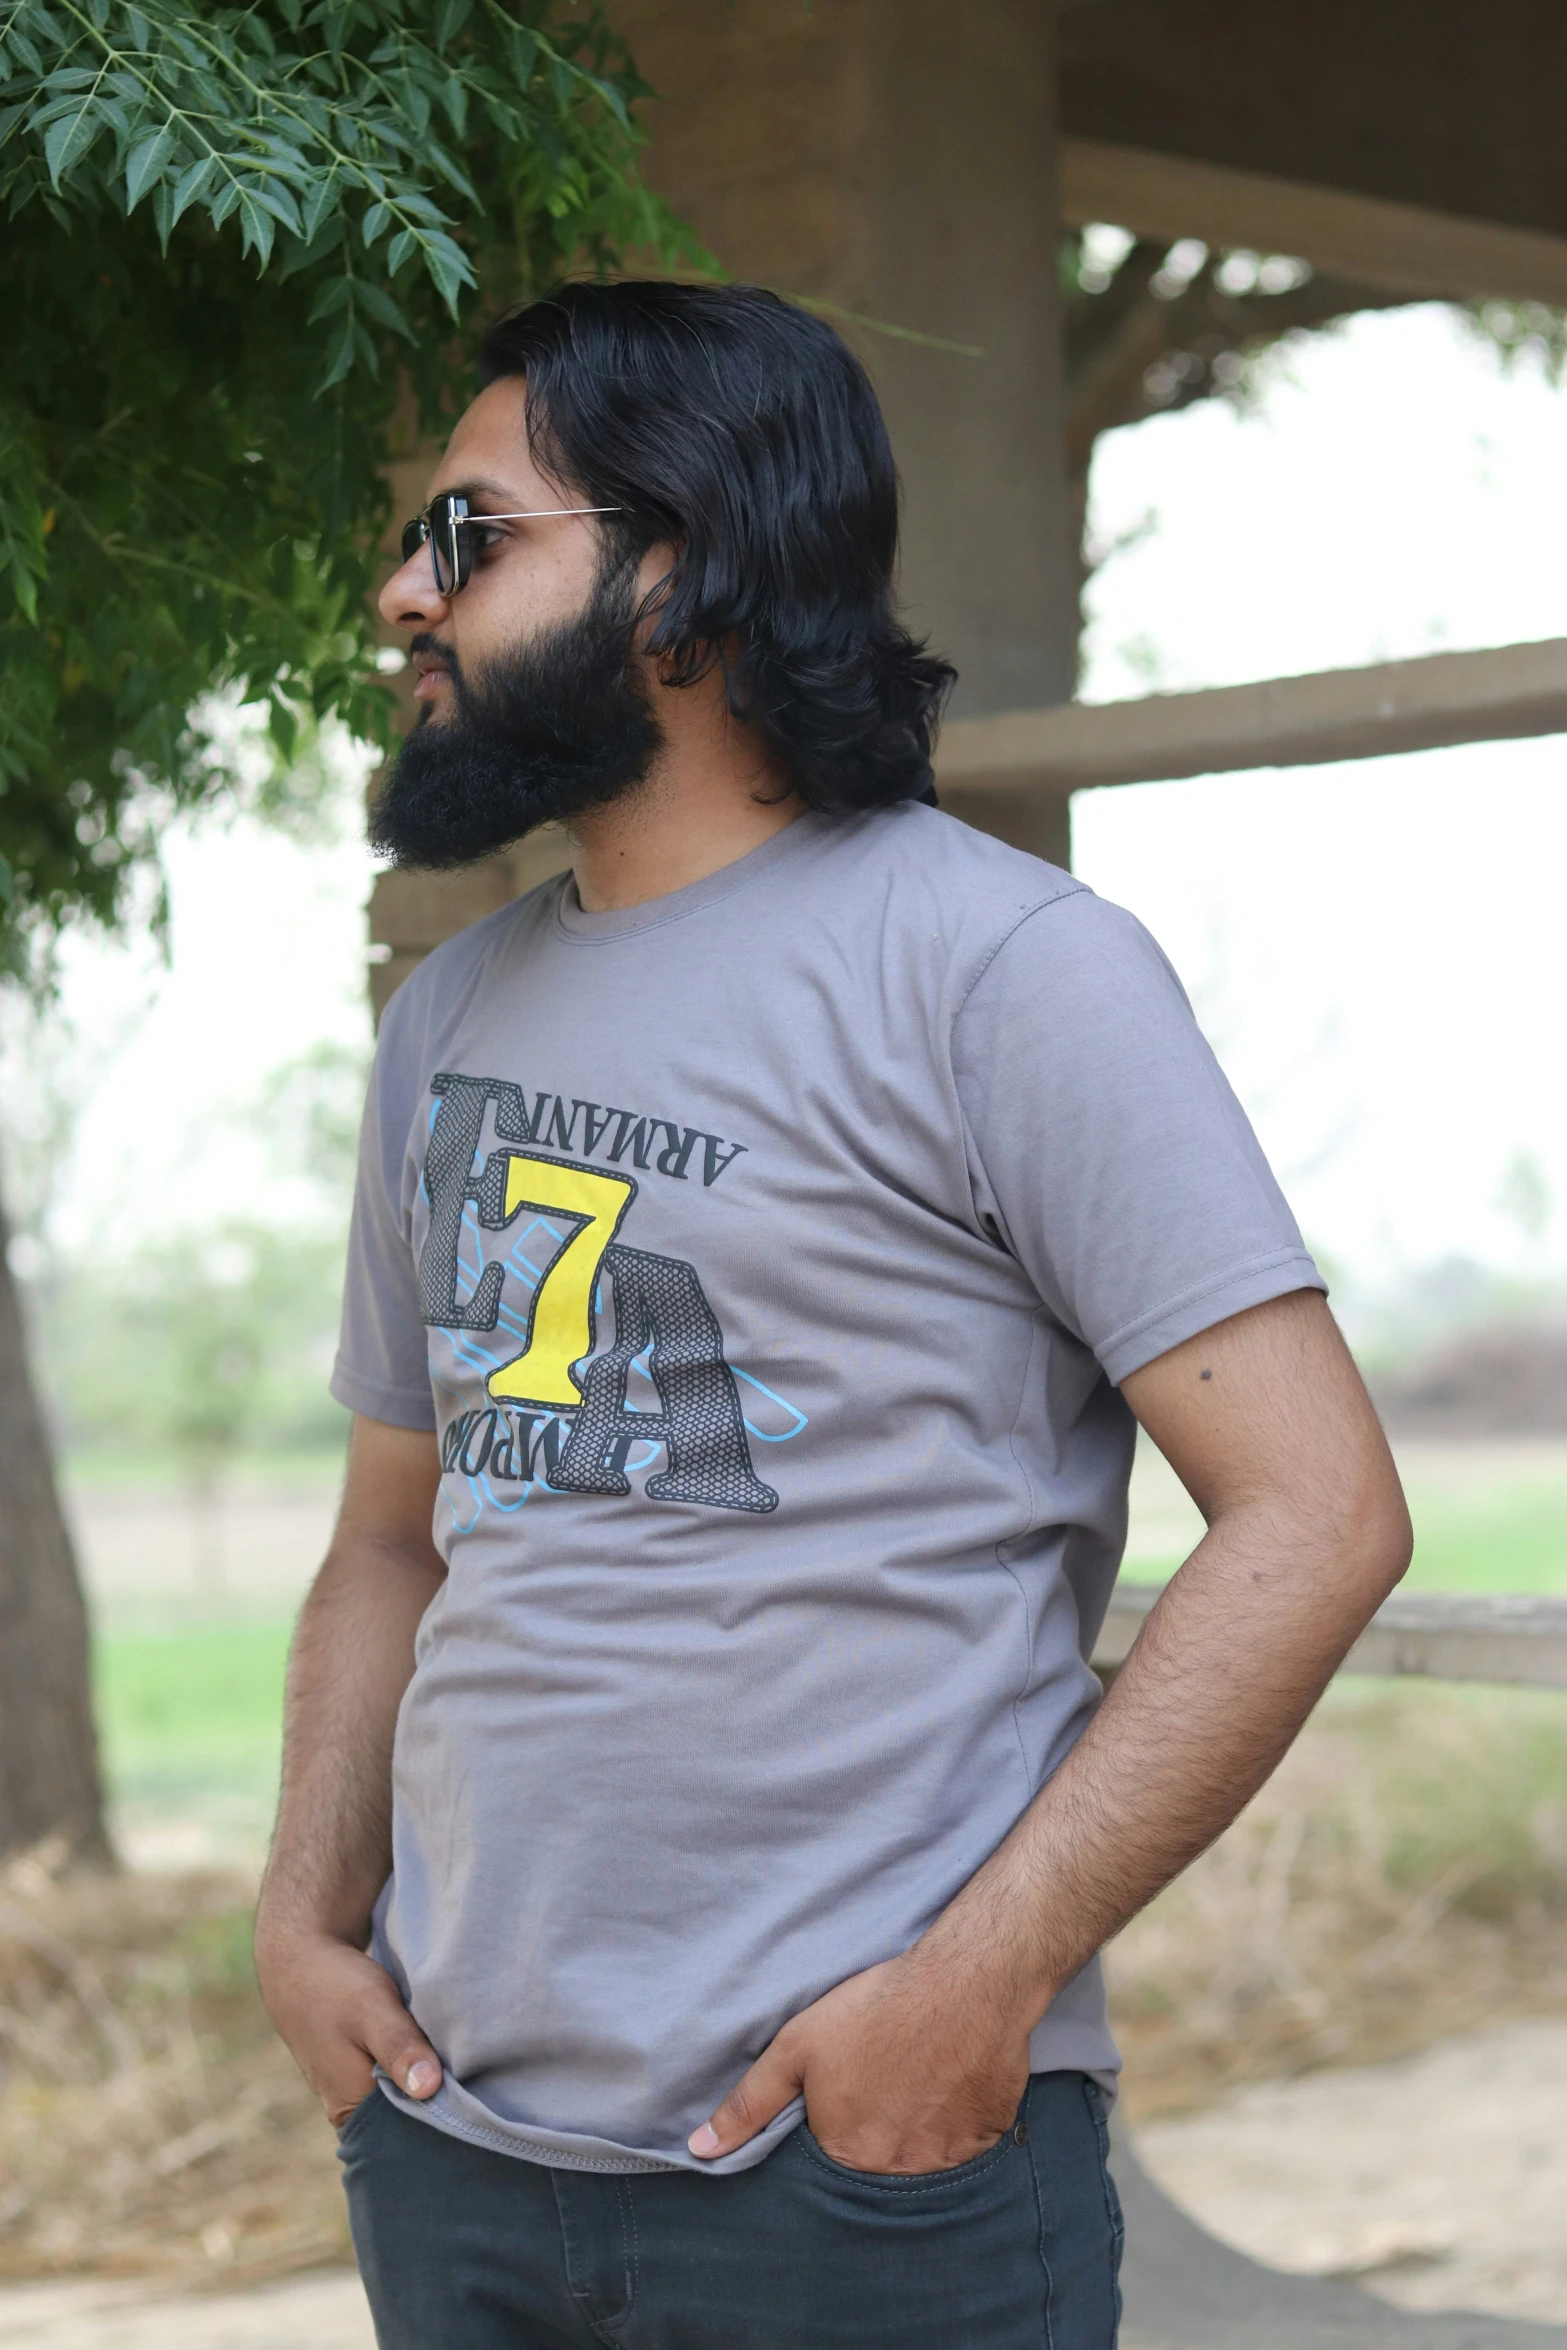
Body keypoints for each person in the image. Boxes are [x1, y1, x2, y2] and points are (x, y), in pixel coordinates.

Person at [254, 280, 1411, 2350]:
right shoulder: (447, 1018)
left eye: (467, 533)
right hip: (457, 2161)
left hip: (857, 2175)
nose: (396, 595)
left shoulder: (1005, 972)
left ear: (675, 569)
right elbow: (393, 1542)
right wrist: (299, 1920)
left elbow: (1317, 1509)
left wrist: (971, 1994)